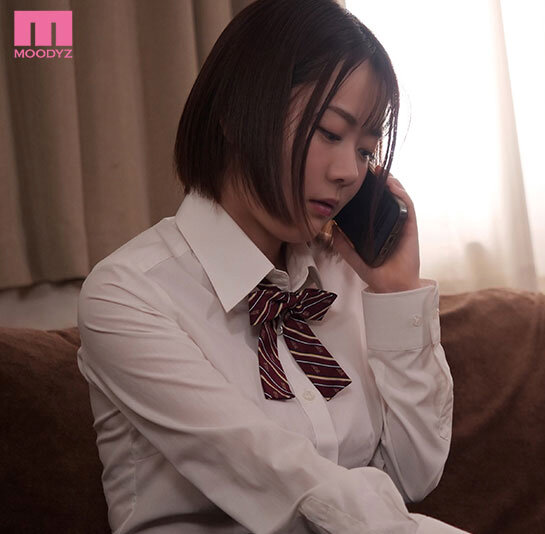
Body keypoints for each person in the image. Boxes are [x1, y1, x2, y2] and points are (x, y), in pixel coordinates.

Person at [75, 1, 466, 532]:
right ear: (239, 115)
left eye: (366, 148)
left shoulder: (343, 275)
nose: (349, 172)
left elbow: (412, 475)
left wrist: (396, 292)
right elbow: (287, 484)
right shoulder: (128, 295)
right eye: (330, 133)